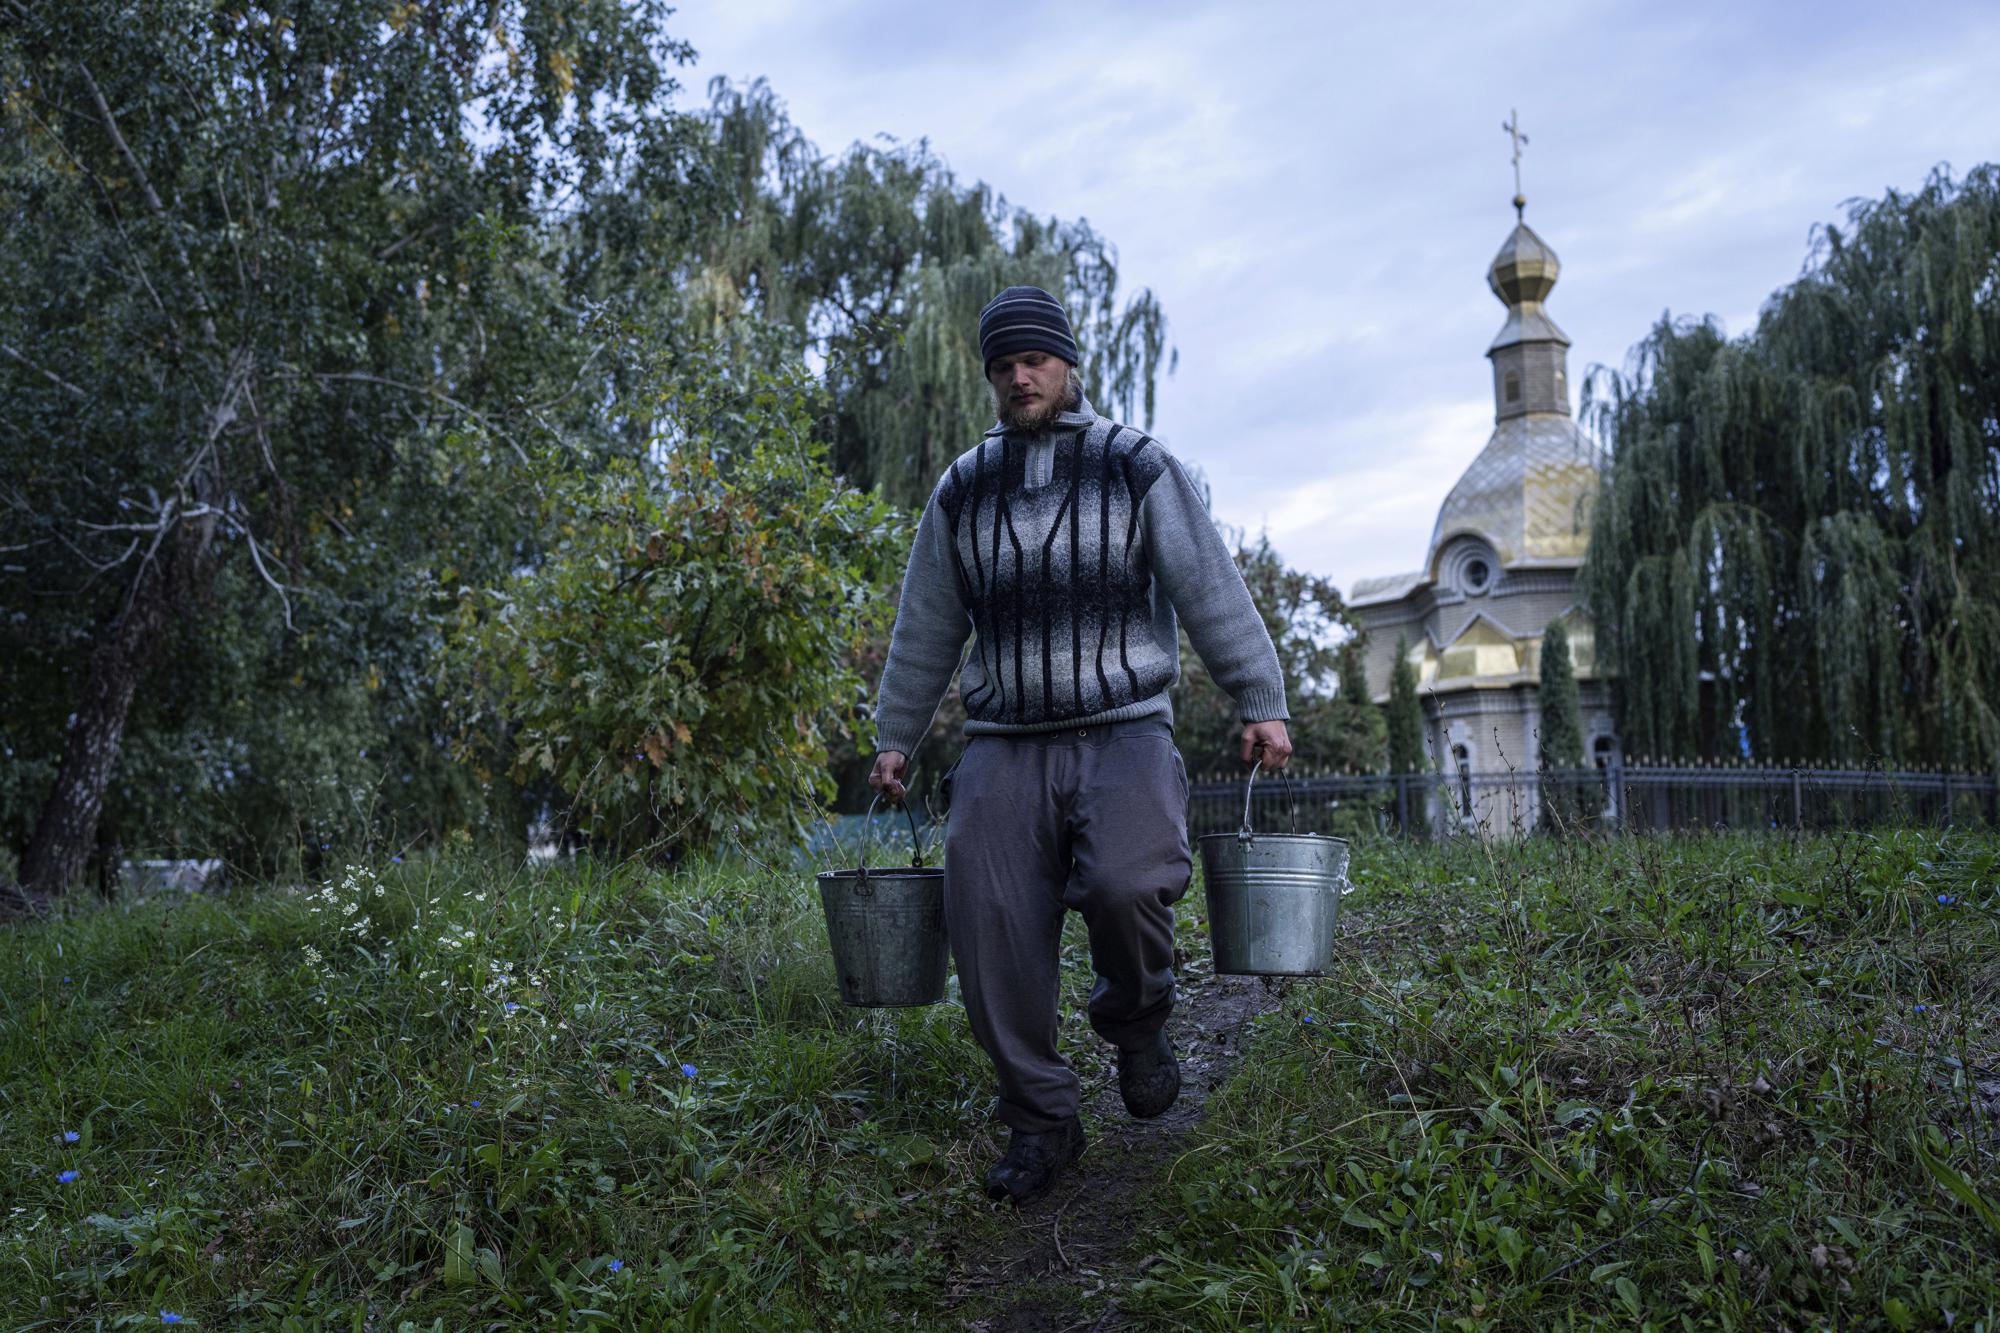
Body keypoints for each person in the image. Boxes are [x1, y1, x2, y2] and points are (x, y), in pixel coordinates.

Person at [868, 284, 1292, 1206]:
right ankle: (1041, 1119)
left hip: (1125, 730)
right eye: (1003, 365)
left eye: (1036, 360)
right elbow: (927, 624)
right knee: (988, 927)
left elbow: (1209, 585)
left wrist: (1260, 695)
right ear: (989, 377)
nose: (1020, 377)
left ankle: (1136, 1025)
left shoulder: (1135, 465)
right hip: (1002, 743)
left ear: (1068, 365)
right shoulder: (963, 486)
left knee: (1130, 883)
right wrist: (896, 733)